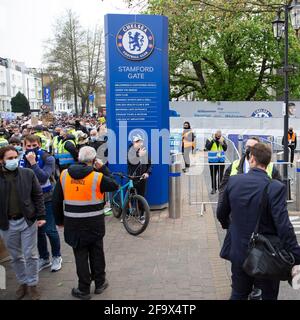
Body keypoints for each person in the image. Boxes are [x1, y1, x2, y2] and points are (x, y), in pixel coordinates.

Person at [217, 143, 300, 300]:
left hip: (239, 250)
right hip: (267, 255)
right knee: (268, 295)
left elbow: (221, 213)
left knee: (238, 294)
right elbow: (283, 226)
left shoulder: (234, 182)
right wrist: (296, 254)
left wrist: (229, 227)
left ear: (251, 159)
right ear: (268, 162)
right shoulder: (275, 187)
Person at [52, 146, 119, 300]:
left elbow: (56, 200)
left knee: (80, 255)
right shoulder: (97, 177)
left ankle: (83, 289)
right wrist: (103, 169)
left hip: (73, 224)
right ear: (93, 161)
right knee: (97, 252)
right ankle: (100, 283)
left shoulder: (63, 175)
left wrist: (59, 221)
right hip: (94, 223)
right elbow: (114, 185)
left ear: (79, 158)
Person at [0, 146, 46, 300]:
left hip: (28, 220)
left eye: (15, 157)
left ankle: (33, 285)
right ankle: (23, 282)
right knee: (15, 256)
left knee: (31, 254)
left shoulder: (27, 173)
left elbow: (38, 195)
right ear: (2, 160)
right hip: (6, 223)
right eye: (9, 158)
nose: (14, 160)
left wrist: (41, 216)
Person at [19, 135, 62, 273]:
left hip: (47, 198)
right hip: (29, 200)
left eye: (34, 145)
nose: (31, 148)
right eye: (28, 146)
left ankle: (57, 256)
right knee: (38, 231)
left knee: (50, 230)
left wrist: (33, 163)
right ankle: (44, 257)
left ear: (39, 144)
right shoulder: (20, 158)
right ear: (24, 146)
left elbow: (43, 177)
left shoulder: (47, 158)